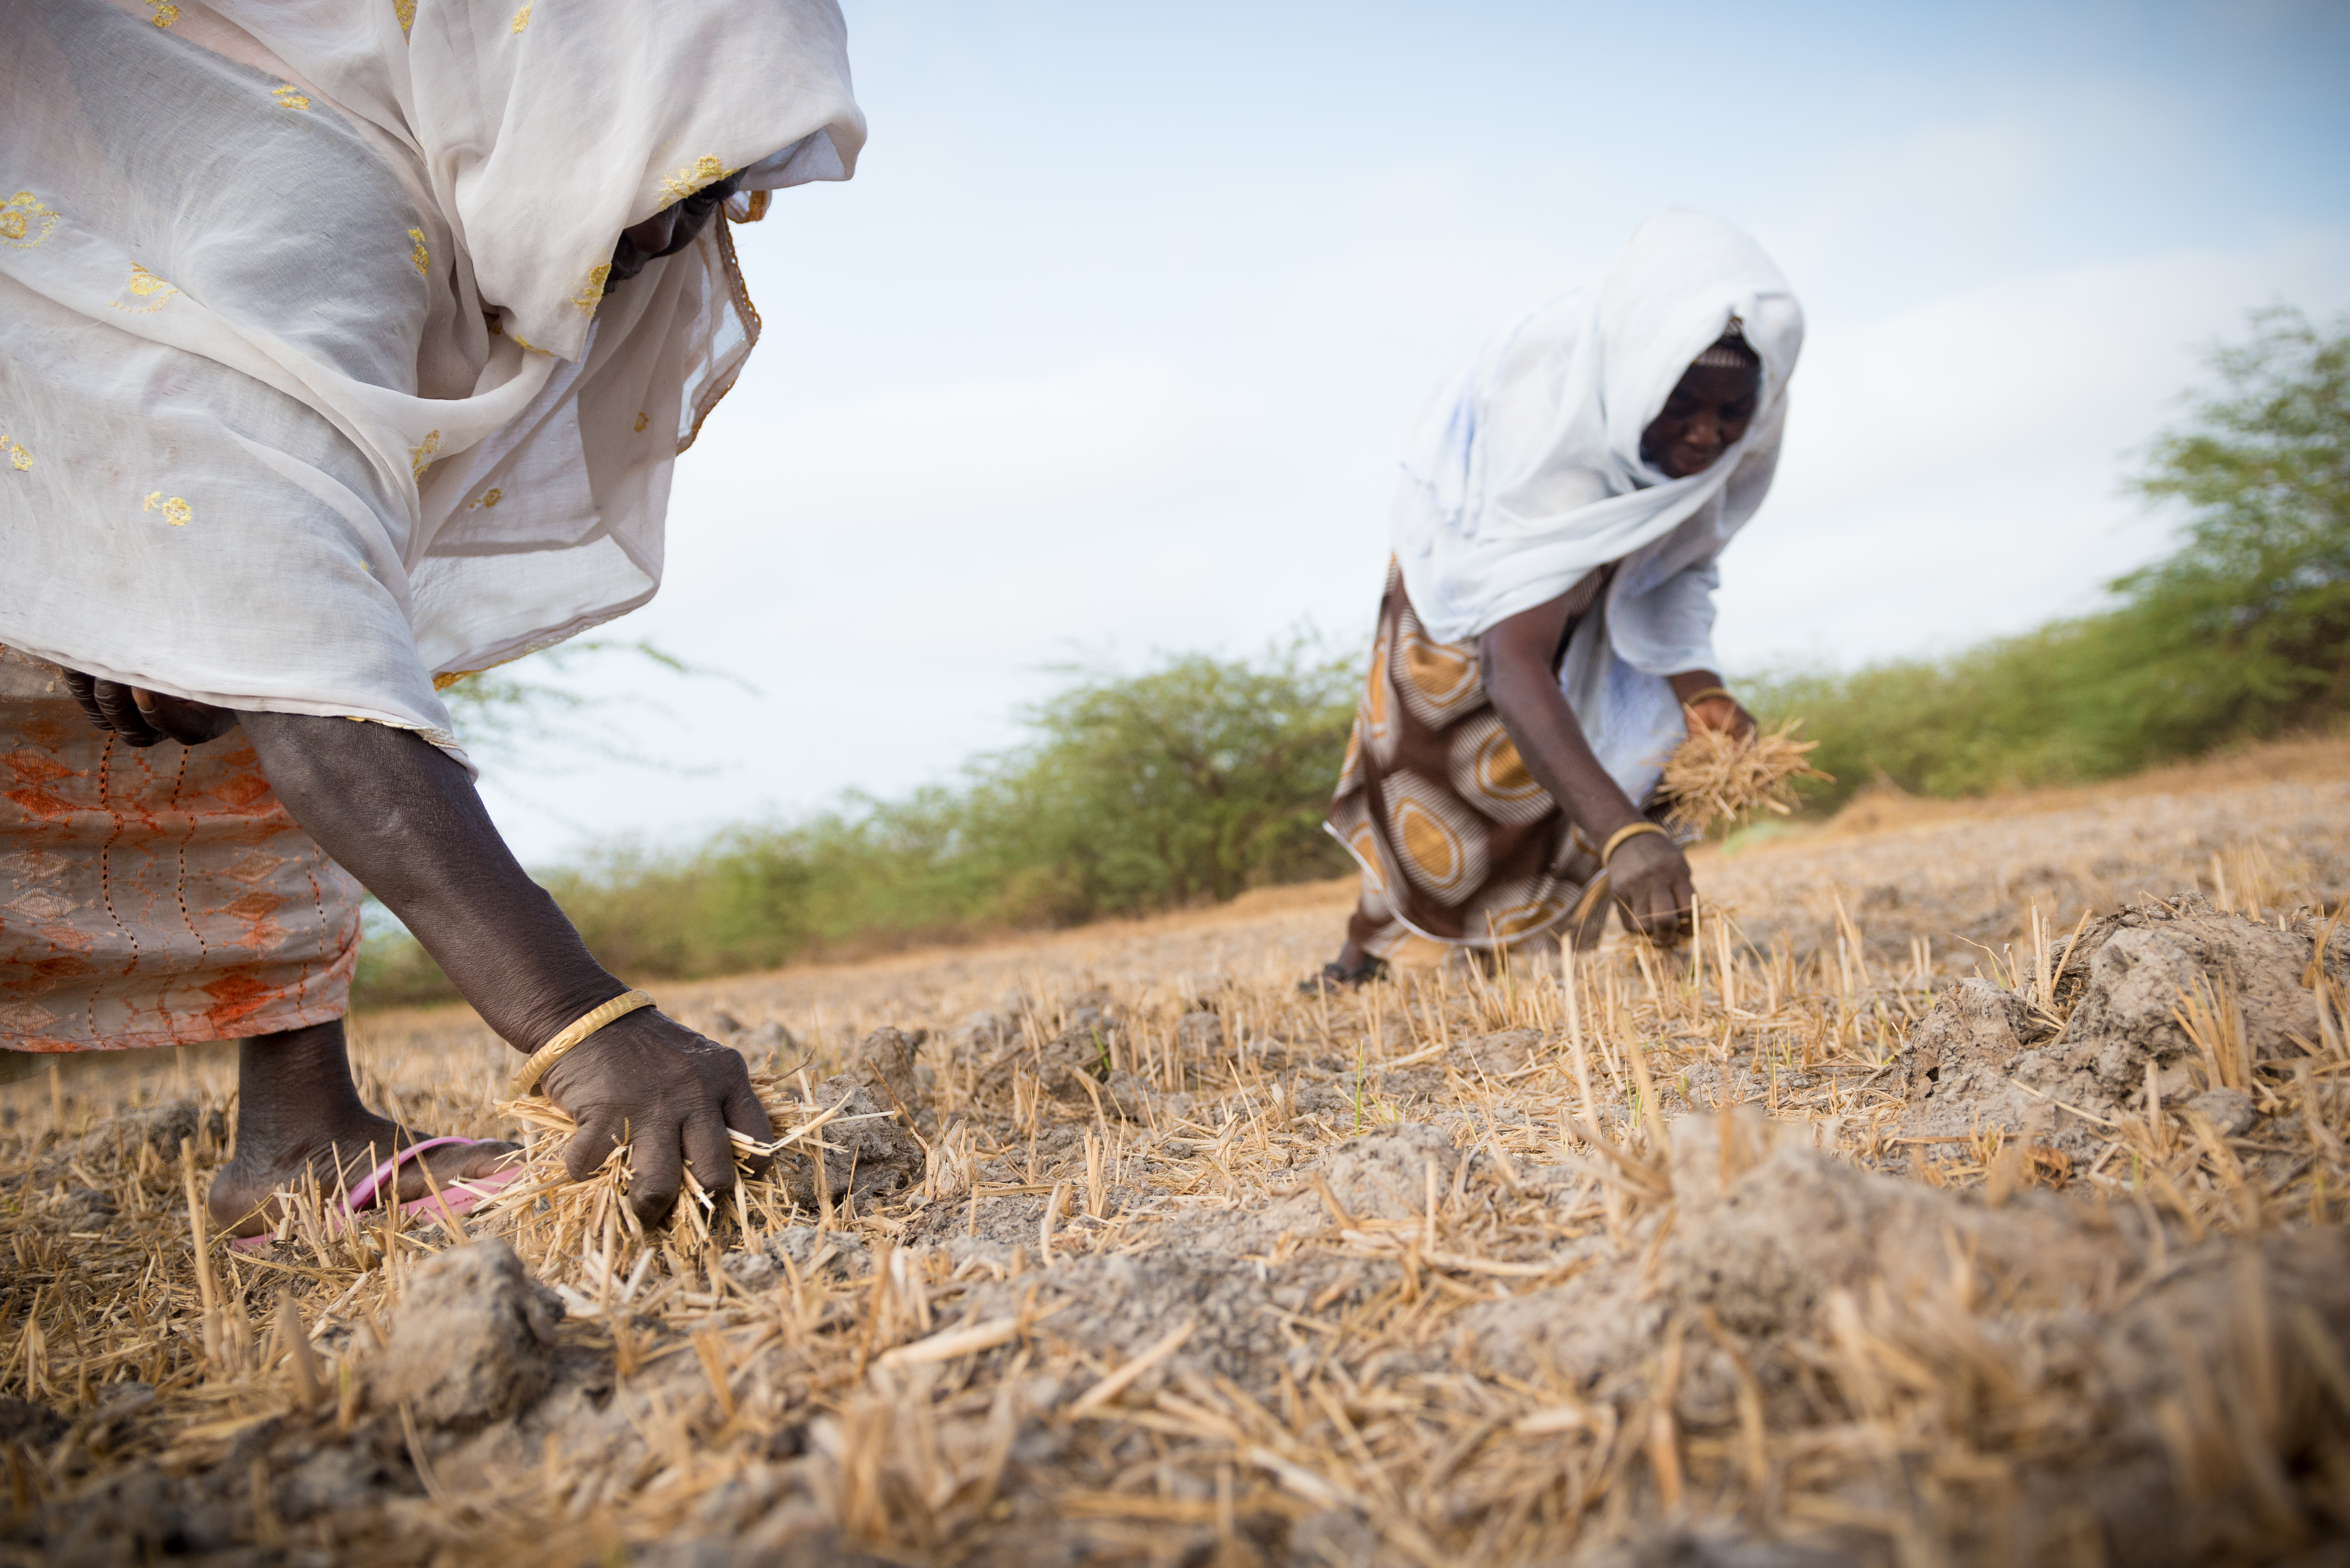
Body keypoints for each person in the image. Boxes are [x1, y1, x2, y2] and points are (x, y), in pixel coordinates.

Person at [0, 0, 865, 1233]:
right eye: (672, 163)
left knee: (271, 654)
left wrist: (157, 573)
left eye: (722, 189)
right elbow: (294, 632)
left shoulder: (340, 139)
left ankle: (299, 1133)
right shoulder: (328, 194)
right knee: (303, 666)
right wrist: (590, 1025)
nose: (680, 226)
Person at [1312, 211, 1803, 988]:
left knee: (1622, 744)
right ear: (1641, 378)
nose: (1708, 436)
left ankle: (1531, 957)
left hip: (1601, 589)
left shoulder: (1742, 435)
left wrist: (1698, 688)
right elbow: (1513, 662)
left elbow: (1679, 564)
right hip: (1473, 582)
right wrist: (1622, 836)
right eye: (1683, 408)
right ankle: (1362, 958)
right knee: (1446, 784)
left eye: (1729, 412)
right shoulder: (1546, 421)